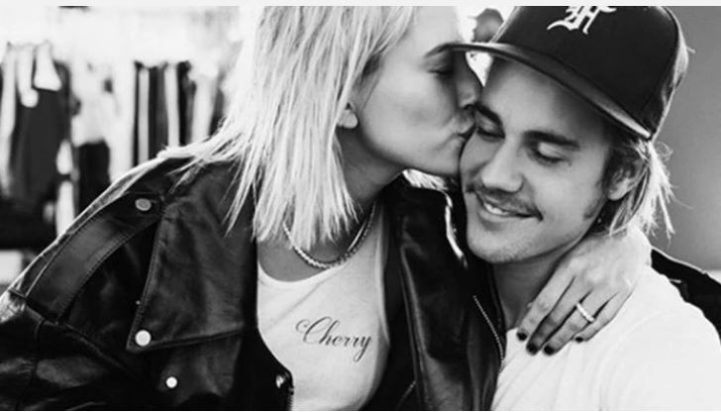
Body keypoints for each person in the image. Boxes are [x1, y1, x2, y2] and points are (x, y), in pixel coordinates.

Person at [0, 7, 649, 410]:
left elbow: (575, 207)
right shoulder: (150, 227)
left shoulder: (444, 222)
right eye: (442, 69)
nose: (474, 92)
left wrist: (621, 241)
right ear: (340, 96)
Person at [457, 6, 721, 409]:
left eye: (545, 154)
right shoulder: (412, 254)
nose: (495, 175)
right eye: (488, 130)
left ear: (623, 174)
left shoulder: (662, 351)